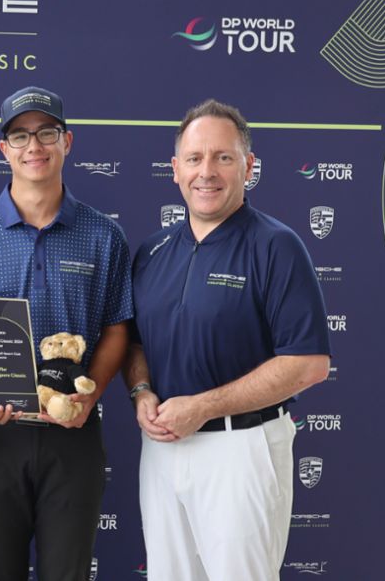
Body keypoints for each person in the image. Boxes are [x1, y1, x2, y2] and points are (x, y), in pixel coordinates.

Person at [0, 87, 133, 580]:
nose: (33, 146)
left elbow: (116, 328)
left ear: (67, 141)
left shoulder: (103, 234)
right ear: (4, 149)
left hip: (73, 435)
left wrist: (91, 397)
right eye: (19, 136)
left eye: (46, 133)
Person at [123, 99, 330, 581]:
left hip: (242, 449)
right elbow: (135, 345)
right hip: (163, 449)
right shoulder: (152, 251)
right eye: (194, 158)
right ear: (175, 169)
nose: (207, 172)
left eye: (223, 157)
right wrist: (140, 391)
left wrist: (204, 406)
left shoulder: (276, 246)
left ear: (248, 167)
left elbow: (308, 363)